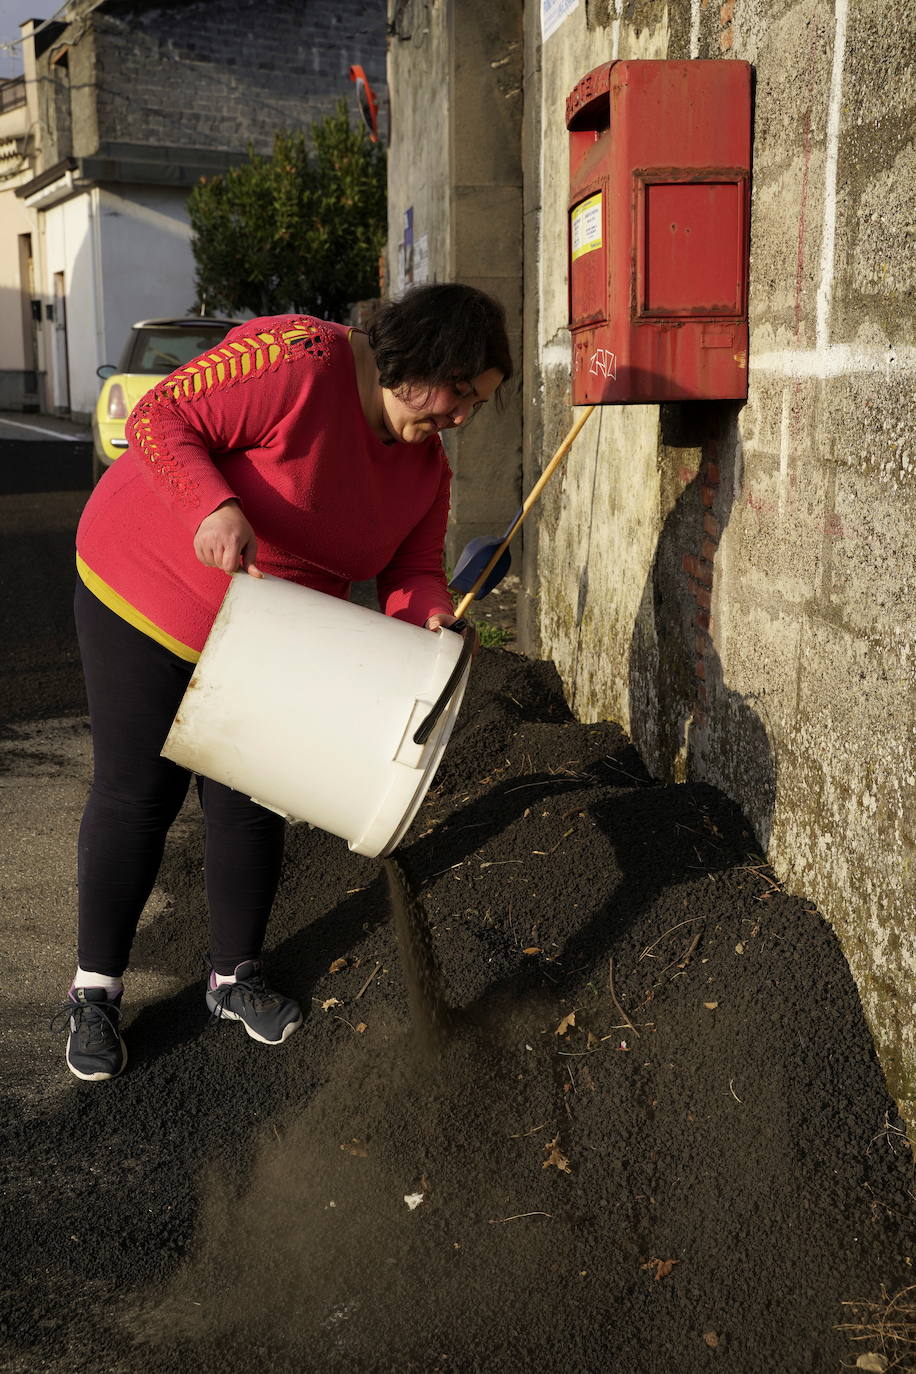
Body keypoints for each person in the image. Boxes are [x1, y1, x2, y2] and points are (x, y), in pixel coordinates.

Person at [58, 282, 512, 1082]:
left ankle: (234, 977)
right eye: (461, 394)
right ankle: (94, 992)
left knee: (251, 797)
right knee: (140, 793)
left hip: (270, 630)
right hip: (148, 586)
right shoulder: (303, 360)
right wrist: (214, 505)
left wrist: (430, 619)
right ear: (422, 361)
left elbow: (411, 571)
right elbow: (161, 418)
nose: (462, 419)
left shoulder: (424, 471)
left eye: (477, 406)